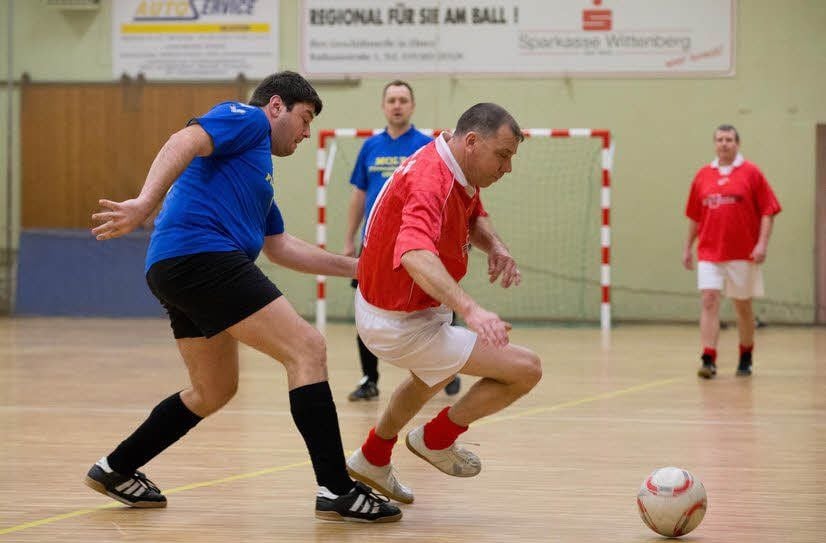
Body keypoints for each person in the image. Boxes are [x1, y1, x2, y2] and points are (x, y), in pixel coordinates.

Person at [85, 71, 401, 523]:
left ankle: (116, 468)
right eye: (305, 119)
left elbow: (280, 247)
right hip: (202, 257)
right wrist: (143, 203)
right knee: (307, 349)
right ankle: (336, 488)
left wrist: (359, 269)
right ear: (276, 107)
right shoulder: (247, 120)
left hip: (175, 268)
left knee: (213, 390)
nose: (307, 133)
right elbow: (183, 141)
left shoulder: (256, 177)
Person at [344, 103, 543, 505]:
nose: (507, 168)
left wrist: (496, 247)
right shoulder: (428, 179)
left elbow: (473, 214)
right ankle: (436, 439)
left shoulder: (455, 162)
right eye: (502, 156)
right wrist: (470, 310)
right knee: (526, 370)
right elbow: (414, 252)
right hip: (397, 321)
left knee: (429, 378)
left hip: (409, 306)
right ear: (472, 141)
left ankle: (372, 457)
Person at [344, 80, 460, 401]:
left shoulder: (428, 145)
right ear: (384, 106)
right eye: (392, 100)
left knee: (440, 303)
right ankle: (369, 379)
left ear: (412, 106)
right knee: (367, 310)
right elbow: (358, 195)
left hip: (420, 245)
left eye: (403, 100)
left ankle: (445, 371)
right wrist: (348, 240)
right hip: (376, 249)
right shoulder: (370, 147)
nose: (397, 105)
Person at [682, 124, 781, 379]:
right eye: (719, 139)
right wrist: (687, 248)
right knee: (709, 299)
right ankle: (708, 358)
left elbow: (768, 210)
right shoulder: (703, 175)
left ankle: (746, 355)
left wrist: (762, 243)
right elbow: (694, 216)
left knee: (742, 307)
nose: (724, 143)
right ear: (714, 144)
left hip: (742, 253)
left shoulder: (751, 173)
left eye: (728, 139)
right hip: (709, 252)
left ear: (737, 143)